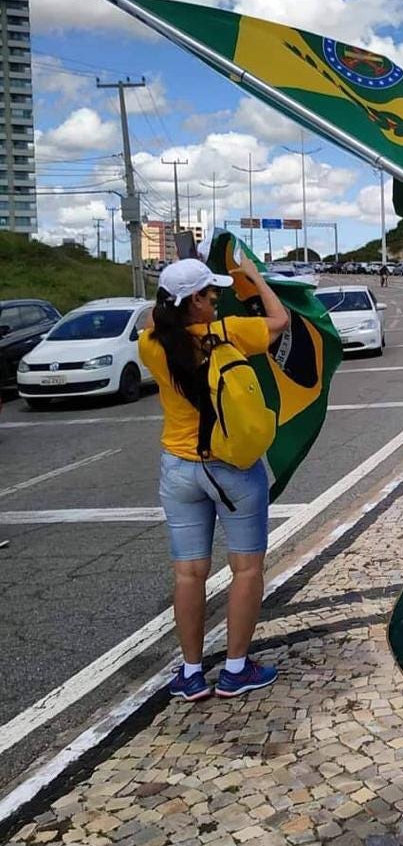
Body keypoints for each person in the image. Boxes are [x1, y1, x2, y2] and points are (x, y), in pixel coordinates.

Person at [139, 257, 288, 701]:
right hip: (232, 468)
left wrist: (175, 298)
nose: (218, 300)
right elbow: (280, 320)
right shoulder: (230, 333)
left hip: (180, 469)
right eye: (211, 294)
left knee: (189, 574)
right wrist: (255, 277)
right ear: (195, 301)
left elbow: (157, 316)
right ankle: (236, 669)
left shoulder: (151, 344)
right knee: (246, 568)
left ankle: (190, 673)